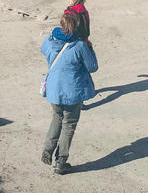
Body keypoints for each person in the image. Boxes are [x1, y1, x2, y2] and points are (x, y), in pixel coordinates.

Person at [41, 12, 98, 175]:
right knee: (69, 125)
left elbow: (43, 49)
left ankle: (47, 149)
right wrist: (90, 47)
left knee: (56, 118)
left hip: (53, 89)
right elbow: (92, 66)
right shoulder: (79, 45)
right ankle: (61, 161)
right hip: (72, 91)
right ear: (76, 27)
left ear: (60, 24)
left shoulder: (50, 41)